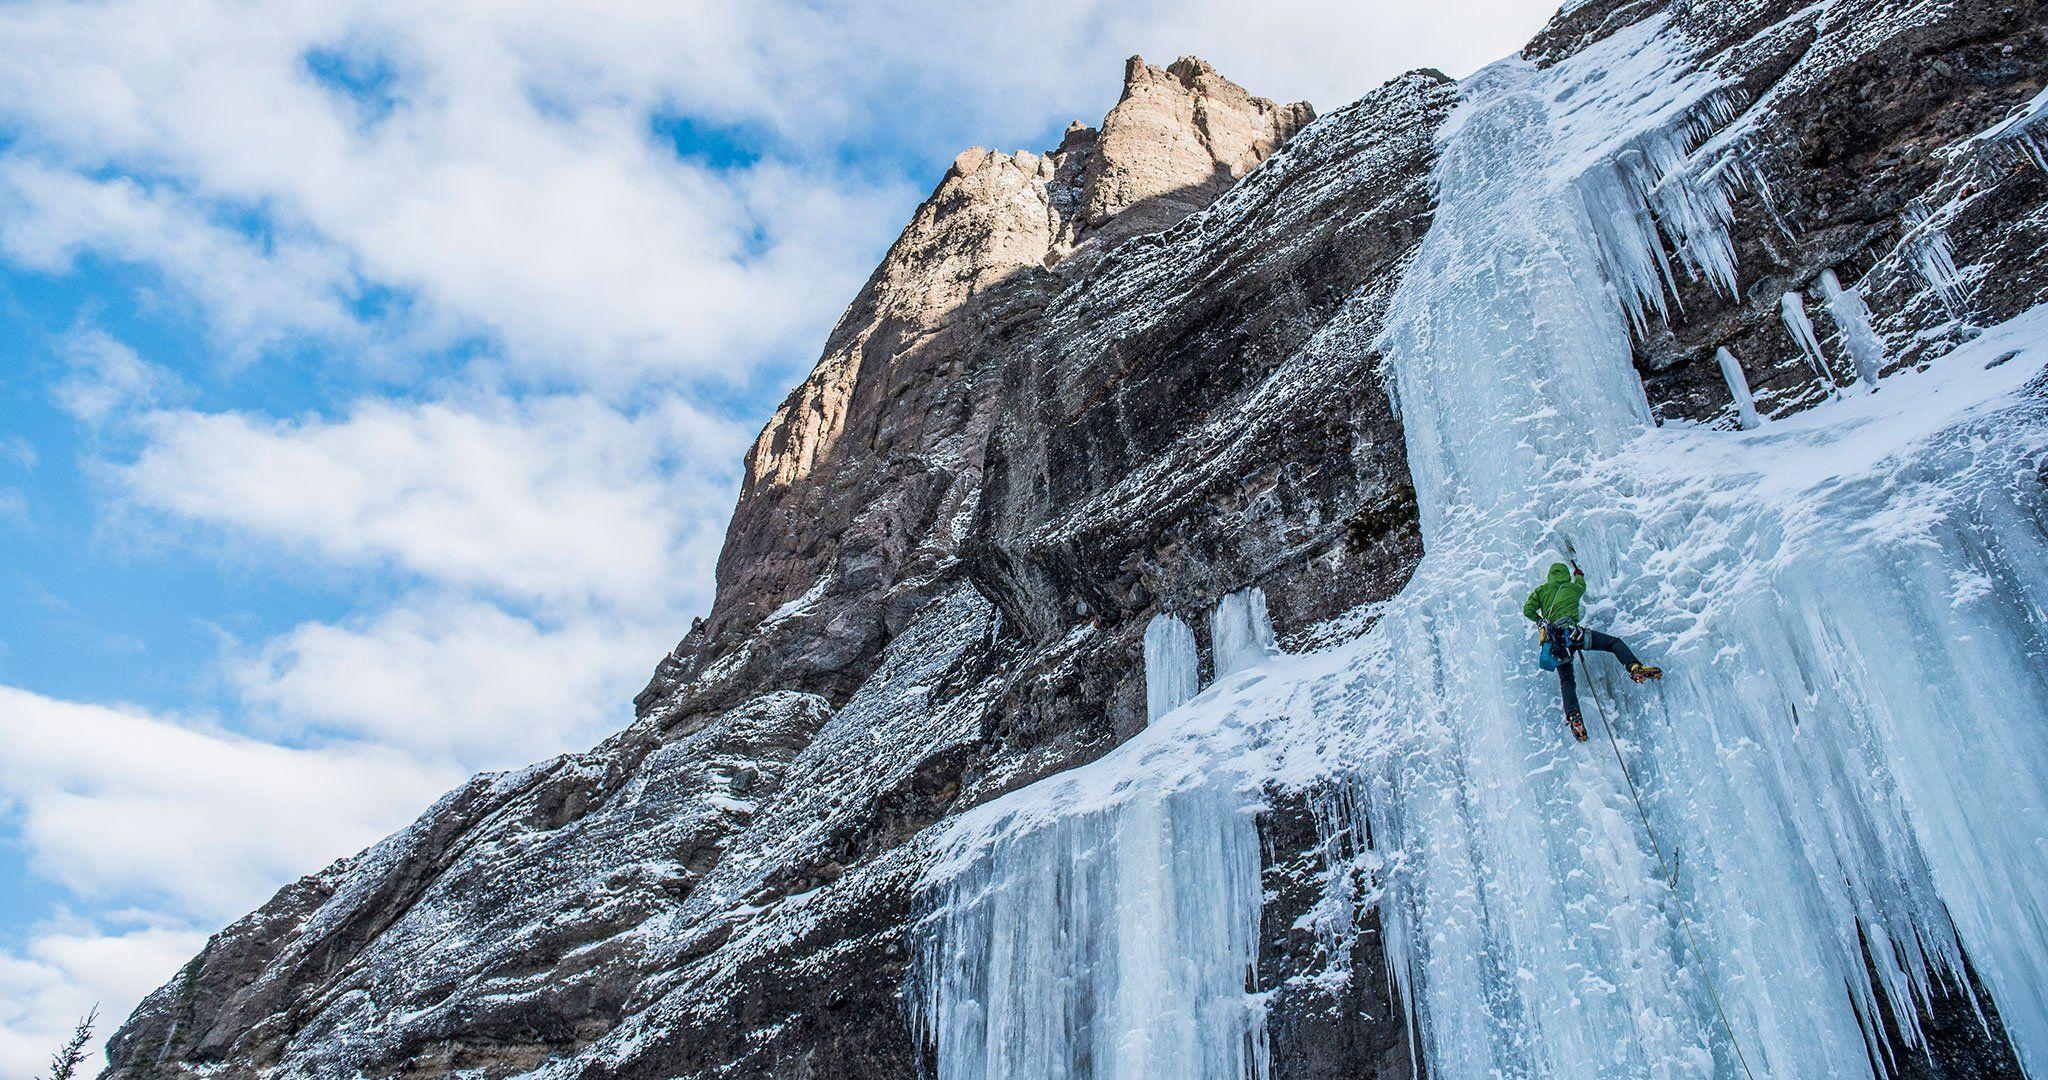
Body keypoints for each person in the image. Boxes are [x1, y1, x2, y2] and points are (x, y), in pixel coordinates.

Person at [1523, 559, 1661, 741]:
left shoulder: (1541, 591)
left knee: (1567, 680)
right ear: (1565, 575)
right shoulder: (1572, 588)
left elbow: (1528, 610)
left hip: (1555, 642)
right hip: (1574, 635)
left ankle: (1574, 717)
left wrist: (1540, 620)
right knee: (1613, 644)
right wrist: (1578, 573)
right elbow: (1581, 583)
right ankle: (1634, 667)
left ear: (1550, 576)